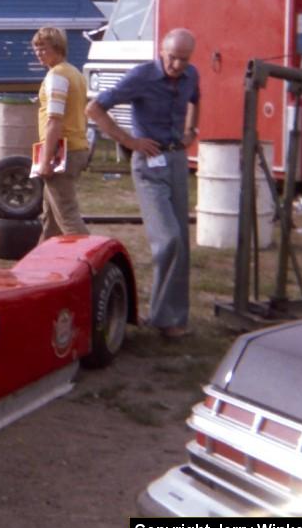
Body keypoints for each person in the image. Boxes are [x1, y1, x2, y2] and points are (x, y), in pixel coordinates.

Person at [86, 28, 200, 338]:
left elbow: (195, 100)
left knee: (182, 245)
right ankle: (160, 315)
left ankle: (172, 319)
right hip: (148, 164)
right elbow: (94, 108)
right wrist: (129, 141)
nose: (177, 65)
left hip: (176, 161)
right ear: (162, 52)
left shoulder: (192, 75)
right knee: (169, 238)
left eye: (184, 59)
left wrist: (192, 131)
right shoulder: (142, 76)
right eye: (173, 58)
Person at [31, 27, 90, 241]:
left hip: (61, 151)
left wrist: (45, 161)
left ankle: (92, 264)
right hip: (77, 147)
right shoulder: (74, 73)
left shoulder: (56, 76)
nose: (38, 53)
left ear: (57, 48)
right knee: (51, 217)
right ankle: (42, 263)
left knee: (67, 216)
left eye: (43, 48)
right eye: (36, 48)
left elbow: (54, 120)